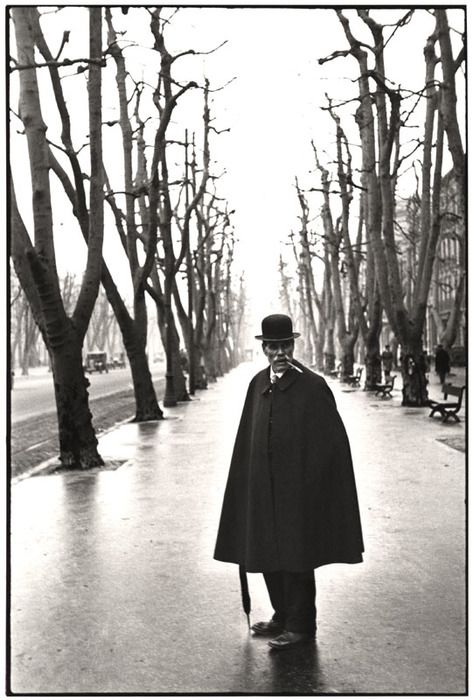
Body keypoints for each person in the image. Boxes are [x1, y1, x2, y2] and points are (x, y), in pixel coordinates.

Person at [214, 314, 364, 650]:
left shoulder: (312, 386)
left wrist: (314, 484)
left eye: (286, 345)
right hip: (264, 490)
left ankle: (301, 626)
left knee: (297, 558)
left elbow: (333, 443)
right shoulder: (257, 384)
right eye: (274, 346)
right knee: (267, 554)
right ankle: (282, 615)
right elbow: (247, 438)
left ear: (293, 346)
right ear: (264, 348)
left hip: (298, 493)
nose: (280, 352)